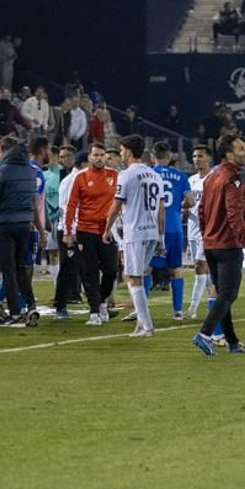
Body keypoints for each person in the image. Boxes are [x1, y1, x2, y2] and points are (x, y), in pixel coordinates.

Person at [192, 133, 245, 356]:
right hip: (228, 246)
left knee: (223, 294)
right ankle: (204, 334)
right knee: (228, 294)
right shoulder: (233, 179)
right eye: (241, 150)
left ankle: (232, 342)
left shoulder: (211, 177)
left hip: (211, 245)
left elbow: (201, 211)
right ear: (229, 154)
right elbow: (234, 215)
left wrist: (206, 235)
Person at [105, 135, 164, 338]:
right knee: (133, 275)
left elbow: (116, 206)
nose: (121, 153)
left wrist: (107, 229)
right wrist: (161, 236)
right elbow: (161, 209)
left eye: (122, 150)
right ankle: (140, 323)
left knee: (133, 277)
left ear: (129, 152)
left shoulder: (126, 175)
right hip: (152, 232)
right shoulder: (154, 174)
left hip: (135, 232)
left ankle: (147, 326)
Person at [0, 135, 43, 327]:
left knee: (8, 270)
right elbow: (33, 200)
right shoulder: (31, 170)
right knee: (21, 267)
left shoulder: (3, 170)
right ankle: (31, 306)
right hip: (25, 224)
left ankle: (15, 313)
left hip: (4, 224)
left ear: (5, 150)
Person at [63, 143, 119, 326]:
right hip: (86, 230)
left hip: (107, 231)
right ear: (89, 158)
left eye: (102, 155)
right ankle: (94, 311)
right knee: (90, 273)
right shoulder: (80, 177)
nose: (99, 158)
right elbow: (71, 205)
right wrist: (68, 231)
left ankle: (101, 301)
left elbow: (121, 201)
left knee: (111, 270)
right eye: (96, 155)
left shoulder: (114, 175)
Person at [149, 143, 192, 320]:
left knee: (146, 268)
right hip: (174, 227)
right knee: (175, 269)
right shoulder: (180, 175)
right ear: (169, 156)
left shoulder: (149, 173)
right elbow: (191, 201)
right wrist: (177, 207)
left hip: (153, 227)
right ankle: (178, 312)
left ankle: (141, 310)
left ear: (153, 157)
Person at [183, 144, 213, 327]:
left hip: (208, 230)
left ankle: (192, 309)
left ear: (209, 158)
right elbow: (188, 203)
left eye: (200, 156)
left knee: (199, 266)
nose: (196, 159)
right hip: (192, 229)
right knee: (204, 270)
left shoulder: (214, 178)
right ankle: (215, 302)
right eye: (194, 156)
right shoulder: (191, 180)